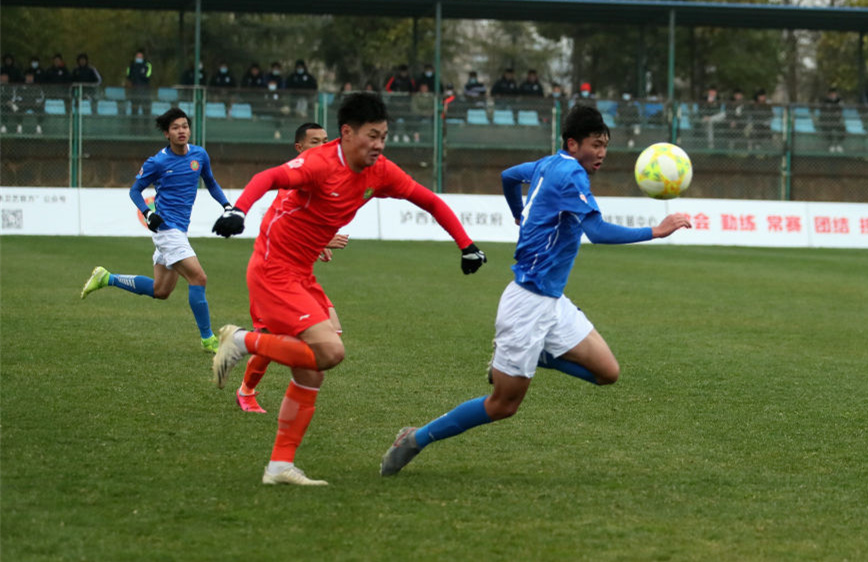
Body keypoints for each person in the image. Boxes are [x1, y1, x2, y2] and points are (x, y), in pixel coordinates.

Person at [379, 105, 690, 477]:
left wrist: (518, 212)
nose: (602, 153)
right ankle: (415, 438)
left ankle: (540, 356)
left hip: (552, 302)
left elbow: (509, 176)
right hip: (527, 304)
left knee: (608, 372)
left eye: (605, 145)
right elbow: (598, 231)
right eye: (595, 144)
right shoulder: (571, 174)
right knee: (502, 405)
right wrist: (655, 231)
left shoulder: (549, 165)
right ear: (573, 144)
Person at [209, 93, 488, 486]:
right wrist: (237, 209)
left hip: (300, 272)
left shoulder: (380, 171)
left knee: (313, 371)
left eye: (384, 136)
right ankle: (242, 340)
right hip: (273, 268)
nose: (378, 144)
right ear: (346, 133)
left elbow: (429, 201)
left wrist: (467, 245)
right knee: (330, 351)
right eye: (372, 136)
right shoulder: (320, 163)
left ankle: (279, 467)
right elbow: (267, 178)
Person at [81, 108, 232, 354]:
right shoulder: (158, 162)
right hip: (167, 230)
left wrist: (227, 206)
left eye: (185, 126)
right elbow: (134, 191)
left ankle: (106, 277)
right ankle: (208, 339)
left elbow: (211, 183)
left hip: (180, 230)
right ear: (166, 133)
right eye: (175, 128)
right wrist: (148, 213)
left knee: (160, 291)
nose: (181, 131)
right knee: (199, 278)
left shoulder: (199, 155)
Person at [234, 122, 350, 414]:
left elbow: (305, 225)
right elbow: (282, 227)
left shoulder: (322, 179)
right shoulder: (293, 180)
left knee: (332, 333)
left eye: (326, 141)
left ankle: (294, 386)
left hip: (300, 278)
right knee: (269, 340)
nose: (323, 147)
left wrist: (318, 243)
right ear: (299, 148)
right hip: (272, 275)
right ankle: (246, 390)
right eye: (315, 142)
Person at [818, 86, 845, 153]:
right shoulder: (825, 101)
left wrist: (837, 112)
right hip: (826, 120)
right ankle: (831, 145)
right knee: (828, 129)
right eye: (831, 94)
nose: (833, 95)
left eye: (834, 93)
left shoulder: (839, 100)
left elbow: (840, 110)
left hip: (836, 119)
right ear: (829, 94)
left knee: (843, 129)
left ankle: (838, 145)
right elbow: (822, 111)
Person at [126, 49, 153, 116]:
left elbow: (147, 76)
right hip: (134, 90)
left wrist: (140, 73)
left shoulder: (147, 65)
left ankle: (146, 124)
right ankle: (133, 124)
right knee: (134, 109)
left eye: (140, 57)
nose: (139, 58)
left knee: (145, 109)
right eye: (137, 57)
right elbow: (128, 76)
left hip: (145, 90)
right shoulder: (131, 66)